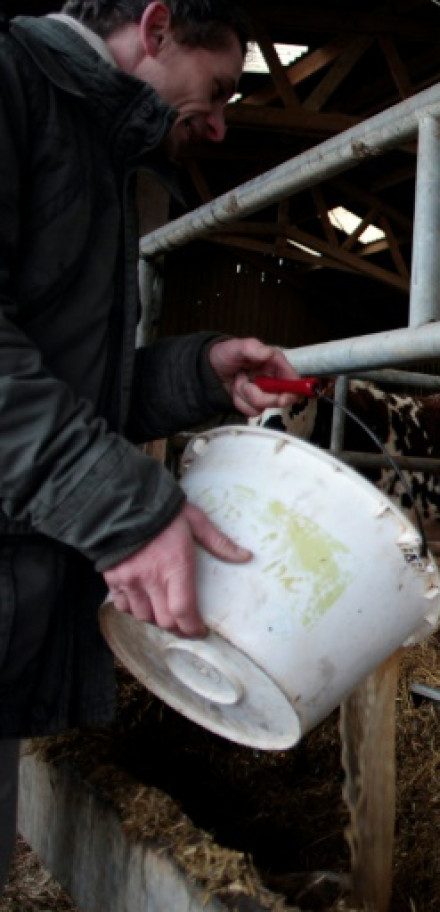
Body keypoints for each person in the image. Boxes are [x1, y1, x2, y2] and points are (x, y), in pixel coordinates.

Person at [0, 0, 304, 880]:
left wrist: (196, 374)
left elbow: (60, 380)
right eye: (218, 92)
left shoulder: (88, 145)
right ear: (158, 24)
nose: (215, 126)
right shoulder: (13, 85)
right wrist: (122, 508)